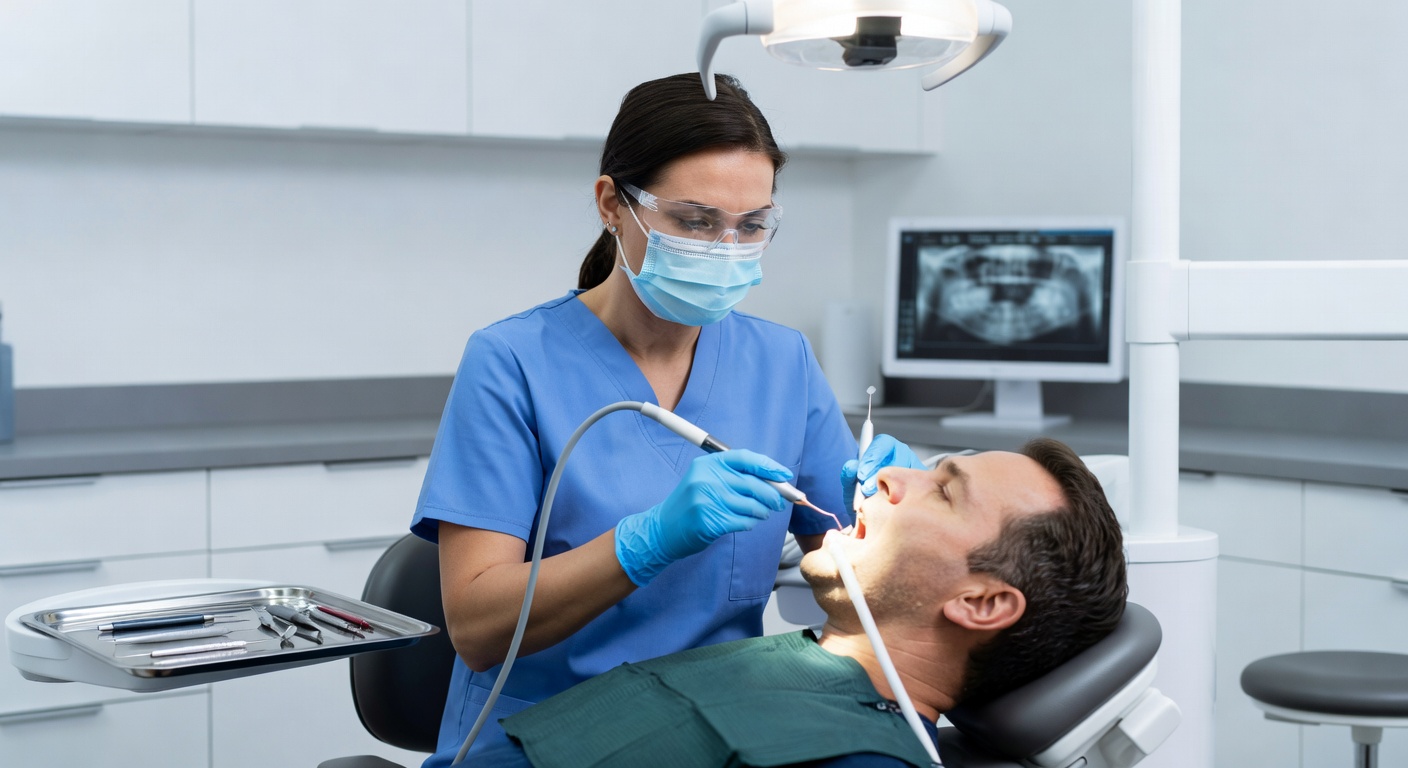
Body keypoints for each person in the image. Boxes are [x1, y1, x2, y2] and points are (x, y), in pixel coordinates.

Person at [410, 72, 921, 766]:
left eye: (751, 226)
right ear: (612, 205)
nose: (725, 247)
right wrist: (644, 544)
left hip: (724, 726)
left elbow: (855, 568)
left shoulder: (783, 362)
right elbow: (476, 627)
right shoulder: (512, 361)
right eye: (695, 221)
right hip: (541, 735)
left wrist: (899, 511)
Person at [485, 437, 1128, 768]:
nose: (888, 475)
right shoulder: (792, 665)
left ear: (982, 603)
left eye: (942, 492)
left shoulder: (859, 757)